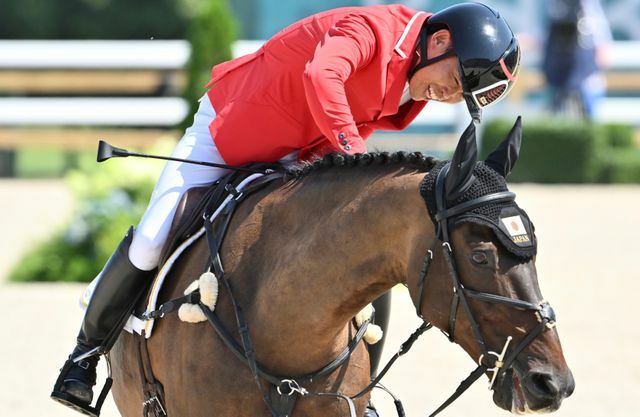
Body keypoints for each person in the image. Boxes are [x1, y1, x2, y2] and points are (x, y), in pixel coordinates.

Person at [51, 3, 521, 416]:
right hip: (228, 133)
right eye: (456, 80)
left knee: (369, 260)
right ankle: (85, 354)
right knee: (154, 237)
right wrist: (354, 162)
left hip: (297, 155)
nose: (449, 94)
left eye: (460, 94)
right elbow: (322, 77)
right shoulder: (368, 30)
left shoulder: (411, 77)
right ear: (438, 41)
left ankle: (361, 394)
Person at [542, 0, 612, 119]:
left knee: (589, 116)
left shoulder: (587, 7)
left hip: (585, 76)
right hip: (561, 75)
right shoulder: (554, 7)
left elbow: (601, 40)